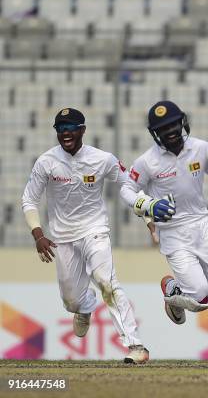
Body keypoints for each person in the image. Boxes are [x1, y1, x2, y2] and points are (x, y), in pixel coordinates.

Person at [120, 100, 208, 366]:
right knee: (201, 297)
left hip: (202, 226)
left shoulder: (201, 149)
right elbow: (126, 190)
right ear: (155, 133)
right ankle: (173, 293)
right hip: (173, 233)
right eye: (163, 129)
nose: (171, 131)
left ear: (182, 122)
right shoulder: (147, 161)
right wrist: (148, 205)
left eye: (174, 125)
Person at [21, 108, 149, 364]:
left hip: (95, 231)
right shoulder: (46, 162)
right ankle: (84, 307)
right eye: (60, 128)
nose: (65, 132)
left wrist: (145, 212)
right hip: (62, 238)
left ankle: (136, 346)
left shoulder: (103, 159)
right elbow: (29, 200)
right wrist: (38, 234)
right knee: (71, 301)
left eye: (70, 128)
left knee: (107, 283)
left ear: (82, 130)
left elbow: (127, 185)